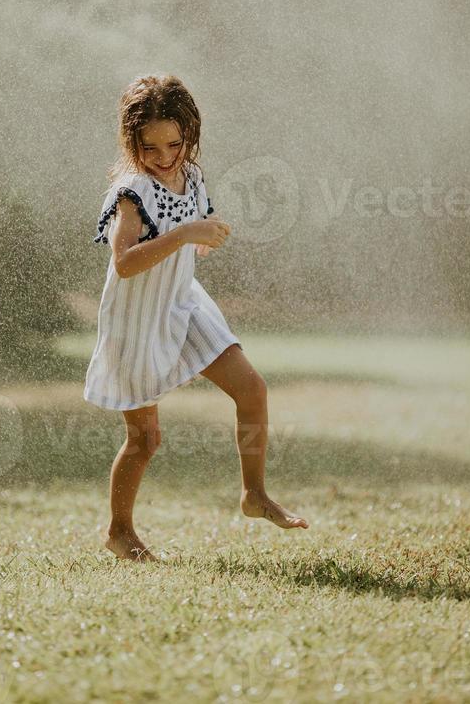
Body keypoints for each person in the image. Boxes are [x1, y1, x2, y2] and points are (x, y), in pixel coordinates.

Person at [84, 74, 309, 562]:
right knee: (144, 441)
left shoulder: (192, 175)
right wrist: (188, 233)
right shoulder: (131, 192)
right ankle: (119, 531)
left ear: (190, 134)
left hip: (183, 306)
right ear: (132, 142)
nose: (165, 157)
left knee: (252, 390)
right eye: (150, 147)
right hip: (137, 322)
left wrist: (202, 236)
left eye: (175, 143)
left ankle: (254, 493)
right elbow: (124, 263)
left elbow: (192, 233)